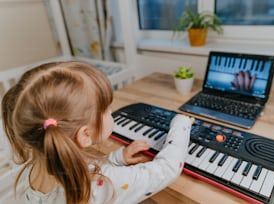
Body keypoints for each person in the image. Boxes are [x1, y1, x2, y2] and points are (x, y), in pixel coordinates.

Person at [1, 61, 193, 204]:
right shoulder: (101, 185)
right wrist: (181, 123)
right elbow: (166, 169)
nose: (111, 112)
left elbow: (83, 167)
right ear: (84, 135)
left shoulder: (36, 165)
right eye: (107, 109)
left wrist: (118, 158)